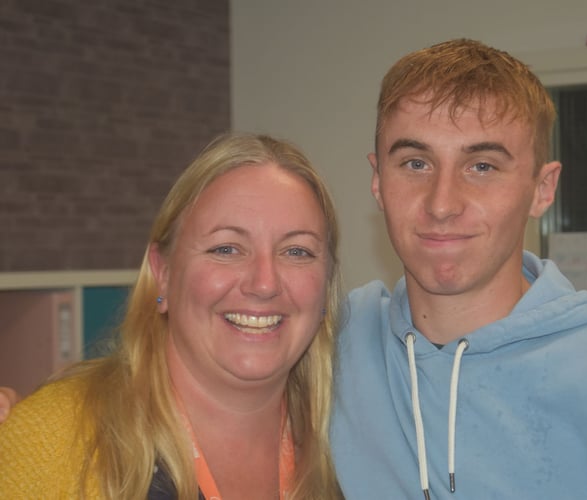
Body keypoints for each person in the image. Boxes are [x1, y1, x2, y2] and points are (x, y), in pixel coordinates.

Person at [329, 38, 587, 499]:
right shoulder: (332, 350)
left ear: (542, 189)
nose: (442, 203)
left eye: (482, 166)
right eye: (415, 163)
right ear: (377, 180)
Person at [0, 133, 344, 499]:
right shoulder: (57, 440)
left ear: (326, 284)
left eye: (297, 252)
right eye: (226, 248)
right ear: (162, 272)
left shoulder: (353, 454)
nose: (264, 283)